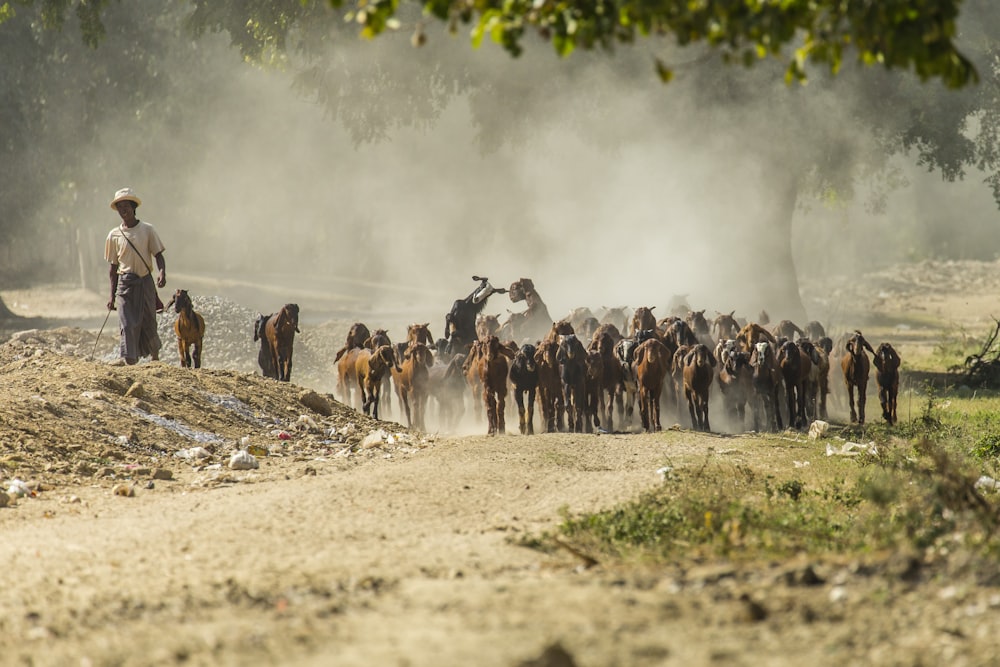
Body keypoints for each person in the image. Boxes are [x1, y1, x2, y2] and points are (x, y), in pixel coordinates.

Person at [104, 187, 166, 365]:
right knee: (127, 324)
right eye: (120, 207)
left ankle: (154, 358)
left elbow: (158, 255)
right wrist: (111, 296)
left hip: (144, 282)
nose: (123, 210)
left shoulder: (147, 230)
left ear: (133, 207)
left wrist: (162, 272)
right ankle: (130, 361)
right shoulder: (113, 235)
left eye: (126, 206)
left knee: (149, 322)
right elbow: (113, 268)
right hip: (125, 285)